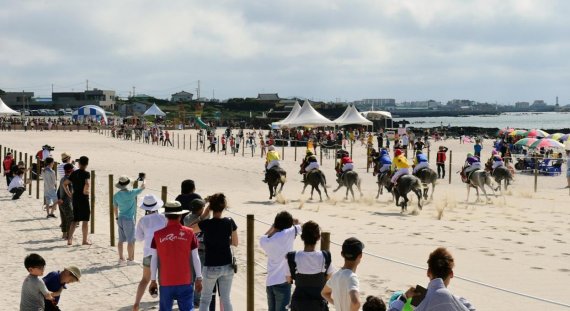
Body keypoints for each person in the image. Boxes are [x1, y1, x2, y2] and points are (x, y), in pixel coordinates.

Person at [149, 201, 202, 311]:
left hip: (165, 281)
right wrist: (199, 277)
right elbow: (195, 257)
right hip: (185, 279)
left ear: (166, 216)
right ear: (181, 215)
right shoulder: (189, 233)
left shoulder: (157, 235)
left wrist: (153, 280)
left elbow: (154, 258)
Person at [388, 248, 475, 311]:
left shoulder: (420, 301)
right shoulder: (461, 302)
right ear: (451, 274)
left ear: (428, 272)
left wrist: (404, 297)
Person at [198, 193, 237, 311]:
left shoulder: (206, 224)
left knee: (205, 299)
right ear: (223, 207)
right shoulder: (229, 222)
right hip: (226, 265)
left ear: (211, 207)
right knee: (226, 299)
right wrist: (224, 241)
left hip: (211, 265)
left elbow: (188, 229)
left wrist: (204, 215)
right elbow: (235, 242)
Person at [286, 221, 333, 311]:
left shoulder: (293, 256)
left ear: (302, 237)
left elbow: (288, 279)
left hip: (299, 303)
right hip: (318, 303)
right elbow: (329, 277)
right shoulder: (325, 256)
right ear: (318, 237)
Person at [259, 211, 301, 311]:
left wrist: (274, 227)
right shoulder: (288, 233)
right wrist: (295, 222)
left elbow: (263, 237)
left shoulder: (266, 241)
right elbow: (301, 226)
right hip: (283, 281)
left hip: (270, 282)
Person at [133, 194, 167, 311]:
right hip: (163, 253)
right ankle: (163, 302)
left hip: (148, 253)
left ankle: (137, 302)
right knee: (164, 280)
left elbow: (138, 238)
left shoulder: (142, 220)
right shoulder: (163, 218)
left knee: (145, 279)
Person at [183, 199, 214, 309]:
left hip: (190, 251)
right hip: (202, 250)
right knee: (199, 278)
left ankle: (190, 299)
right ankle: (196, 300)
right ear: (201, 209)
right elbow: (206, 213)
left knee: (191, 277)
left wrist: (205, 202)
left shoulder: (186, 217)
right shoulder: (204, 218)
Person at [321, 237, 364, 311]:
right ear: (360, 256)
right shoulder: (352, 277)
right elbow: (356, 303)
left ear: (342, 254)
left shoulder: (336, 275)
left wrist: (337, 303)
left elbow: (324, 293)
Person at [113, 175, 145, 265]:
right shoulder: (131, 193)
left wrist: (116, 217)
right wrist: (144, 179)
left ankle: (121, 258)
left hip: (120, 218)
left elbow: (115, 208)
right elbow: (143, 187)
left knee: (120, 239)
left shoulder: (116, 195)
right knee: (130, 240)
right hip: (129, 219)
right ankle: (130, 259)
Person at [65, 156, 91, 246]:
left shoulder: (74, 173)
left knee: (75, 219)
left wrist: (69, 194)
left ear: (79, 164)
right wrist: (85, 190)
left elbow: (65, 184)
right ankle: (84, 240)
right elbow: (87, 183)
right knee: (85, 220)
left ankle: (69, 239)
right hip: (83, 198)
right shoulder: (86, 173)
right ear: (86, 164)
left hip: (75, 197)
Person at [57, 164, 75, 240]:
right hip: (66, 201)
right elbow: (67, 188)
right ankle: (68, 235)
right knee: (70, 219)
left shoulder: (62, 179)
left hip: (60, 201)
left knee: (63, 218)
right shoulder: (69, 179)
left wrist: (59, 199)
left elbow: (58, 191)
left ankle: (64, 234)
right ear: (71, 170)